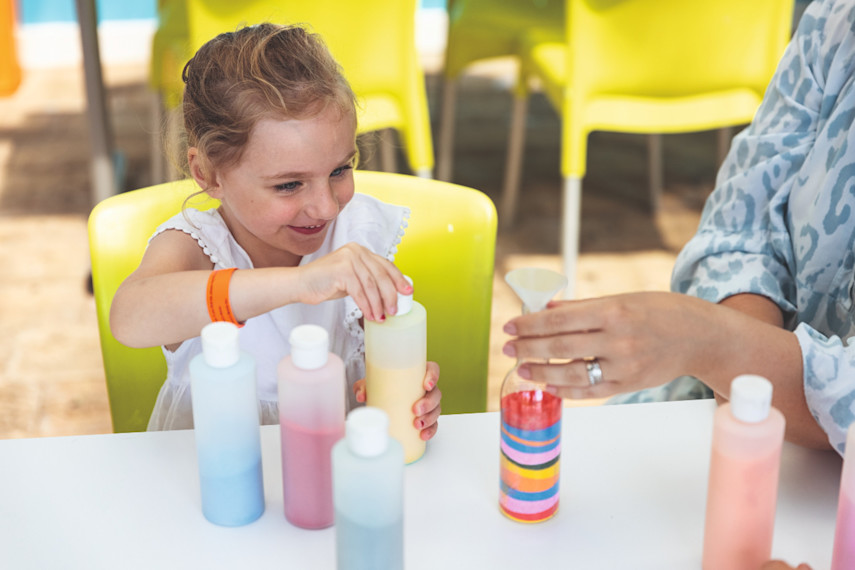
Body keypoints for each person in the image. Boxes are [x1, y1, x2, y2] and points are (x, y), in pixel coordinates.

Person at [502, 0, 855, 455]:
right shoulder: (835, 21)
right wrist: (739, 370)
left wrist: (714, 343)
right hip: (703, 411)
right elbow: (737, 223)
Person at [110, 23, 441, 435]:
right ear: (208, 174)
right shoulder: (196, 244)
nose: (326, 206)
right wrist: (301, 283)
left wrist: (400, 387)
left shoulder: (357, 233)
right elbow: (129, 316)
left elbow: (376, 372)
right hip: (211, 467)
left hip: (329, 465)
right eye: (289, 185)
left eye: (340, 170)